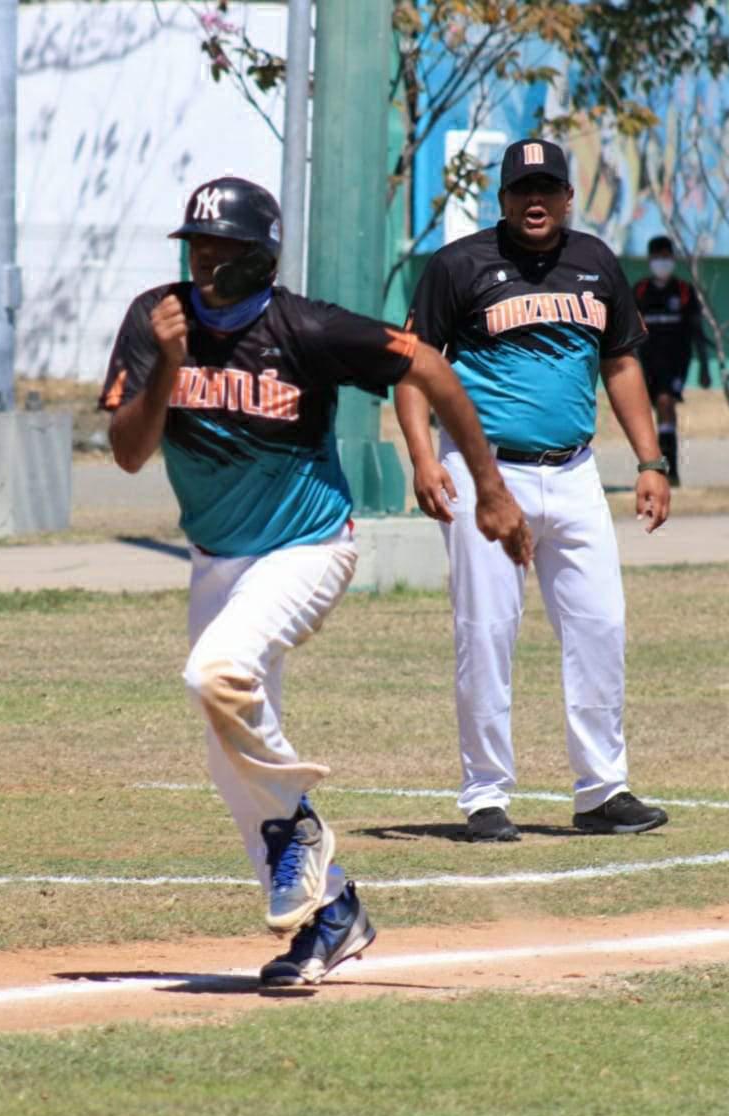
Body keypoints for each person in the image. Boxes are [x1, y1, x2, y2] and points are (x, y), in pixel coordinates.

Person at [101, 175, 531, 988]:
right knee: (226, 752)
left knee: (214, 672)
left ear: (259, 256)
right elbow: (128, 452)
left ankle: (298, 826)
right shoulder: (157, 319)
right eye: (195, 245)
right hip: (215, 558)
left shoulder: (306, 327)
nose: (202, 261)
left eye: (221, 247)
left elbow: (430, 367)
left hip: (307, 547)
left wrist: (492, 490)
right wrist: (168, 363)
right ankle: (333, 914)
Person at [398, 139, 671, 843]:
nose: (536, 200)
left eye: (548, 186)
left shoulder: (595, 263)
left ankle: (602, 789)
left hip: (575, 471)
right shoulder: (460, 265)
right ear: (503, 198)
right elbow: (414, 373)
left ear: (569, 196)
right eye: (523, 189)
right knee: (488, 629)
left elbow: (620, 365)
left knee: (600, 626)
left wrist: (650, 460)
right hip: (486, 472)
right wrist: (425, 459)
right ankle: (485, 795)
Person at [633, 235, 713, 487]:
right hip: (647, 361)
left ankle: (670, 468)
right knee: (654, 411)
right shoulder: (639, 291)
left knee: (666, 403)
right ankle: (657, 464)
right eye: (657, 257)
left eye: (666, 257)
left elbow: (697, 330)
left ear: (673, 259)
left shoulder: (684, 291)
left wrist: (704, 366)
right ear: (650, 260)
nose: (662, 262)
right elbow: (627, 331)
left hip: (677, 360)